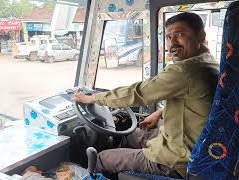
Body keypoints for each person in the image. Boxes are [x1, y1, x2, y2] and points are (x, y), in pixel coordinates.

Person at [74, 12, 219, 178]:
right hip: (191, 142)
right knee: (130, 135)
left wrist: (92, 98)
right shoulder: (209, 61)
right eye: (169, 36)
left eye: (180, 34)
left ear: (201, 36)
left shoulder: (185, 70)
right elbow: (194, 100)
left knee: (102, 158)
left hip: (176, 159)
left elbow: (138, 93)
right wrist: (159, 112)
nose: (172, 42)